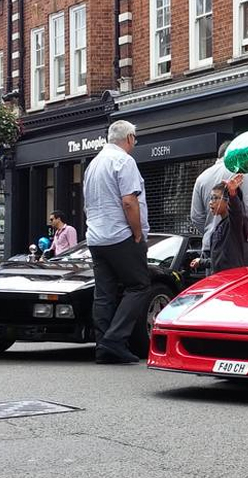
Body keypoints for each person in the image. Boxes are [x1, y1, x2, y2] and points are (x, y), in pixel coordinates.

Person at [83, 120, 150, 365]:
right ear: (130, 138)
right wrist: (137, 233)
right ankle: (115, 340)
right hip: (120, 235)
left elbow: (86, 203)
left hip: (96, 237)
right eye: (136, 139)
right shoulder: (124, 161)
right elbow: (129, 201)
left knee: (104, 293)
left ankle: (103, 347)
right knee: (139, 285)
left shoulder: (93, 164)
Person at [190, 141, 248, 269]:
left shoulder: (201, 178)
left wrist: (212, 231)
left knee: (215, 287)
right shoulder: (241, 172)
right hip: (236, 249)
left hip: (210, 247)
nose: (212, 202)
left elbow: (196, 217)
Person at [190, 175, 248, 273]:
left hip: (231, 280)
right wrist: (202, 262)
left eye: (215, 198)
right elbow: (221, 261)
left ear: (227, 201)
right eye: (211, 198)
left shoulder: (234, 224)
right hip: (221, 279)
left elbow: (236, 212)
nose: (211, 202)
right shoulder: (221, 226)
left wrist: (232, 194)